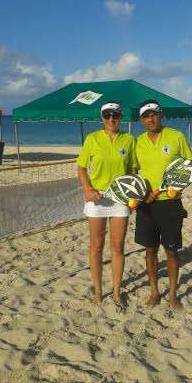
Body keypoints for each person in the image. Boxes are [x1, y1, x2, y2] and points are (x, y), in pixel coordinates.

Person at [135, 99, 192, 309]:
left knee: (171, 251)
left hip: (171, 204)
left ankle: (172, 294)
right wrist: (141, 195)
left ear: (161, 115)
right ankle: (154, 291)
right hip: (146, 205)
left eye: (154, 114)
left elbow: (190, 164)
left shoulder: (176, 136)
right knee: (150, 250)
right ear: (141, 120)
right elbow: (133, 173)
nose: (151, 118)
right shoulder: (138, 142)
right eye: (146, 115)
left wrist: (179, 185)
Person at [77, 101, 137, 306]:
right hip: (97, 199)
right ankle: (97, 291)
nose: (111, 119)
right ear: (102, 117)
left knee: (117, 247)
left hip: (120, 198)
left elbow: (132, 170)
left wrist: (132, 191)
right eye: (107, 115)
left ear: (121, 117)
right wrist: (88, 189)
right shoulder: (92, 138)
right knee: (96, 247)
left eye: (116, 115)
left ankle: (116, 292)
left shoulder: (129, 140)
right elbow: (82, 168)